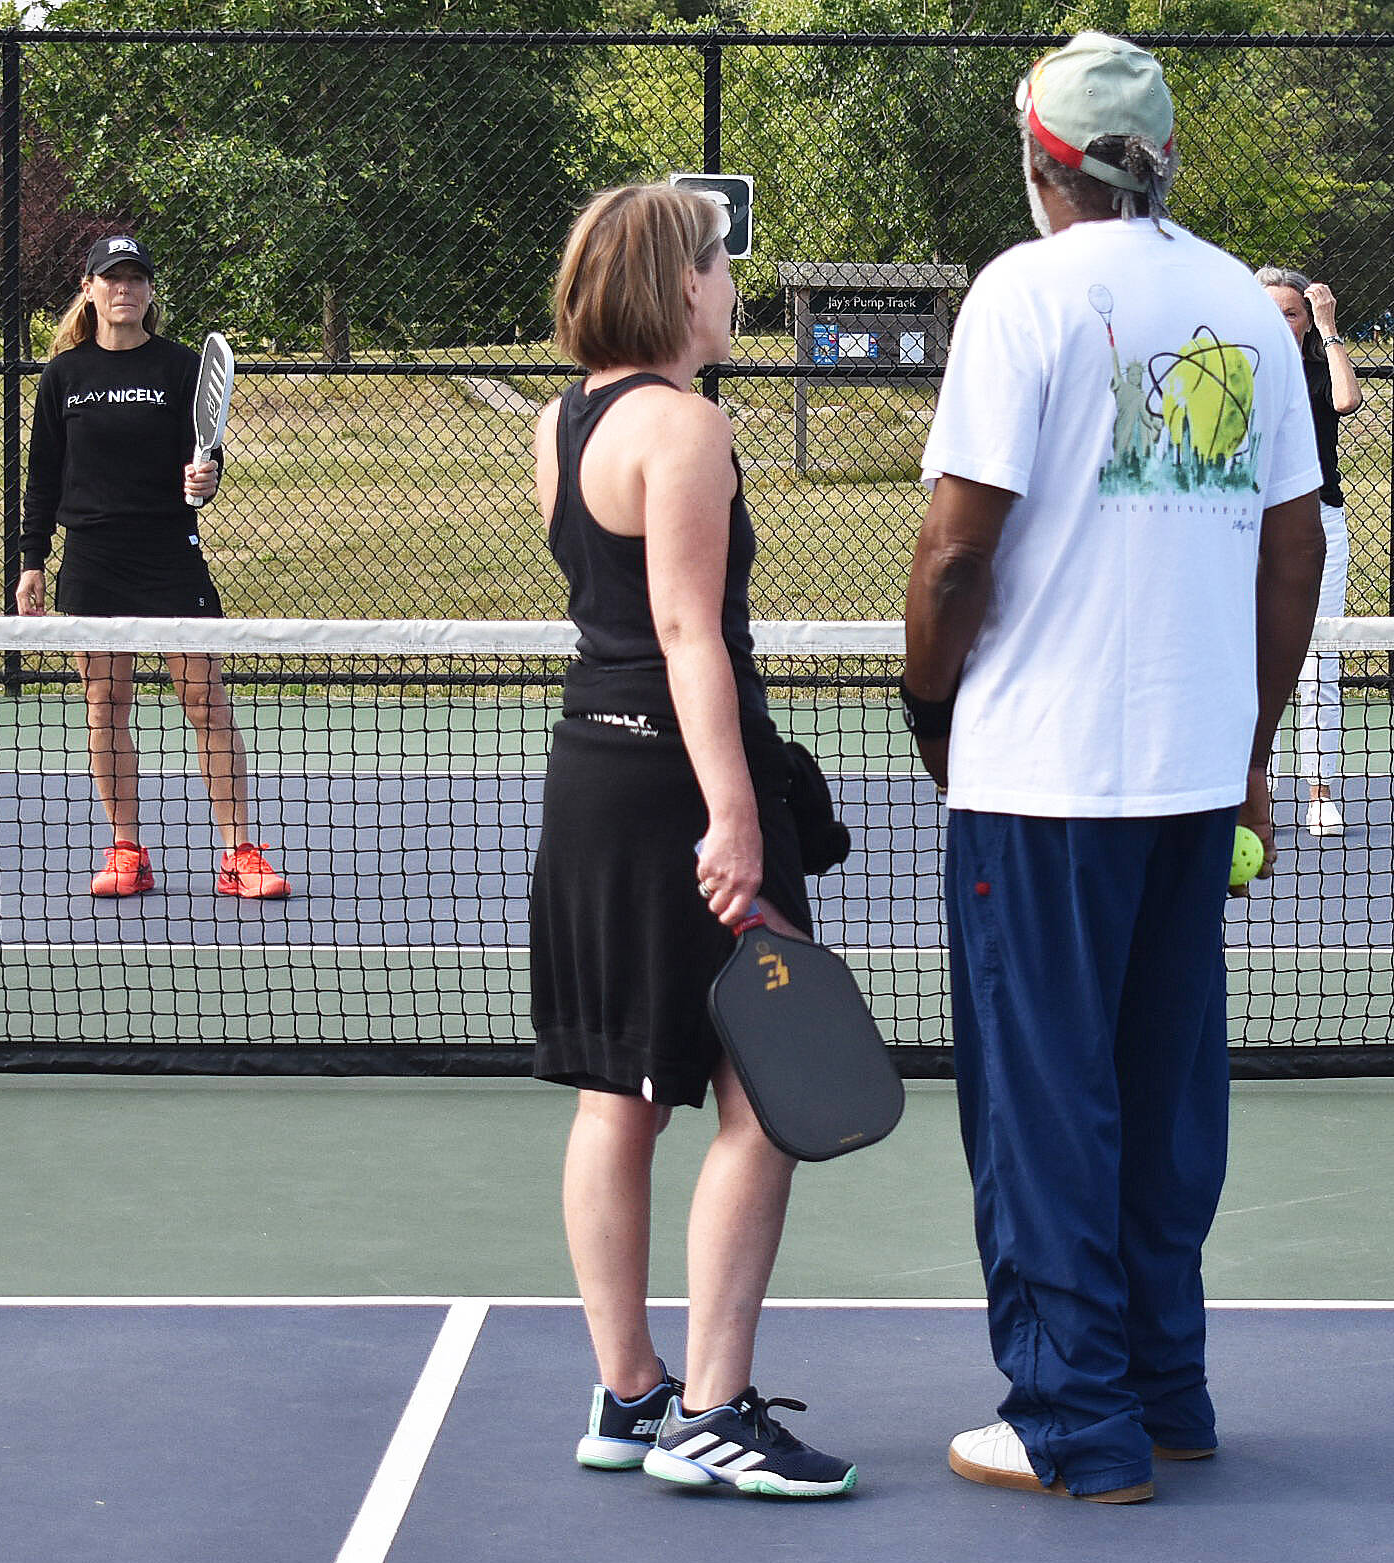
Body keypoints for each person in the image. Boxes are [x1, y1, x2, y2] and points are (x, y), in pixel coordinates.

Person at [902, 33, 1325, 1502]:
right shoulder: (1242, 302)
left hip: (1041, 781)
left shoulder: (1020, 292)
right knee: (1160, 1092)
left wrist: (927, 701)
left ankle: (1075, 1420)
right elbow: (1298, 550)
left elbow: (957, 551)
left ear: (1037, 161)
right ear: (1162, 161)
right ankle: (1166, 1389)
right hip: (1192, 781)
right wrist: (1253, 750)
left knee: (1041, 1101)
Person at [527, 184, 854, 1499]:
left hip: (592, 779)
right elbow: (686, 632)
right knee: (770, 1090)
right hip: (682, 790)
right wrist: (732, 810)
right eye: (723, 269)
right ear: (676, 288)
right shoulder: (688, 426)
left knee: (623, 1092)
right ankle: (715, 1408)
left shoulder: (564, 425)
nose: (735, 288)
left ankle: (631, 1392)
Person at [16, 234, 289, 900]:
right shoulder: (65, 376)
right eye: (112, 278)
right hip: (92, 561)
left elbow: (205, 460)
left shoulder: (179, 367)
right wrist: (32, 562)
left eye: (137, 278)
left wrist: (206, 479)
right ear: (89, 289)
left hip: (170, 556)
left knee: (206, 701)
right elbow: (43, 476)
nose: (125, 289)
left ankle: (238, 855)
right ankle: (126, 851)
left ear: (149, 292)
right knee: (105, 704)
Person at [1255, 265, 1362, 836]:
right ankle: (1257, 778)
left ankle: (1320, 791)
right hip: (1249, 522)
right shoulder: (1237, 370)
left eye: (1291, 312)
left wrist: (1327, 325)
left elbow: (1348, 400)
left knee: (1320, 654)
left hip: (1320, 522)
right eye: (1269, 311)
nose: (1281, 322)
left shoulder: (1320, 369)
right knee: (1250, 653)